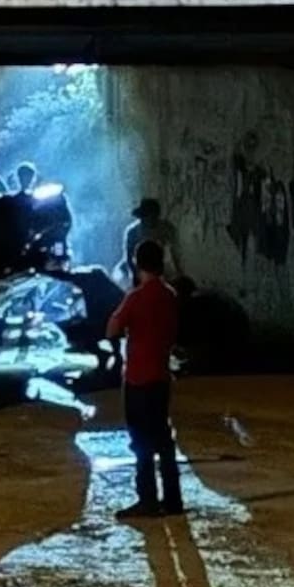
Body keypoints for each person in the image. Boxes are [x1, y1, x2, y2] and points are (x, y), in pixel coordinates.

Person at [107, 240, 183, 519]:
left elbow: (112, 328)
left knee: (141, 442)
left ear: (137, 264)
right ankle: (173, 500)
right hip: (161, 376)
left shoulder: (136, 298)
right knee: (164, 439)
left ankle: (148, 500)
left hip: (139, 377)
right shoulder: (170, 295)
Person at [120, 198, 183, 286]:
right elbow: (128, 257)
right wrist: (135, 275)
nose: (149, 220)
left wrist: (179, 272)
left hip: (161, 269)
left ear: (156, 215)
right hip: (140, 269)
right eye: (145, 216)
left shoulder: (166, 229)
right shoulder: (133, 232)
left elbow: (176, 252)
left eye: (152, 216)